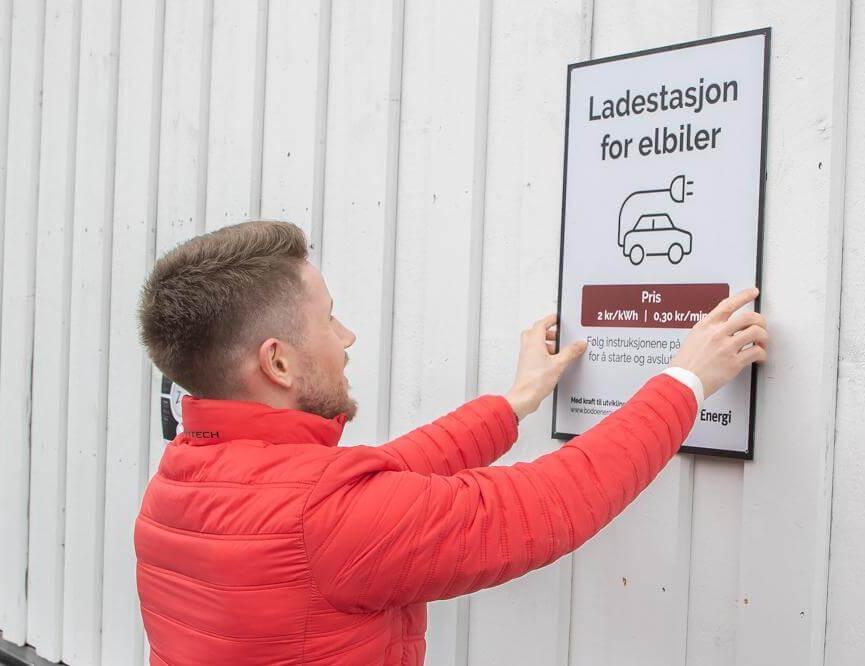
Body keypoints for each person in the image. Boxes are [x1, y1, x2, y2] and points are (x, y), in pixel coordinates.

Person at [134, 220, 767, 665]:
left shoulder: (184, 478)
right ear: (278, 364)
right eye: (328, 318)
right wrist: (686, 380)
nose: (347, 336)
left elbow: (384, 475)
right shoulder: (322, 515)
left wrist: (513, 403)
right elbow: (554, 501)